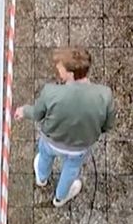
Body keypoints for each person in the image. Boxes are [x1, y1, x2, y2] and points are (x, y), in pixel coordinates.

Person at [15, 48, 115, 207]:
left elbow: (38, 114)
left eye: (60, 68)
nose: (57, 70)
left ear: (71, 74)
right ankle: (60, 197)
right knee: (71, 169)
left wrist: (24, 111)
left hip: (51, 142)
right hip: (79, 148)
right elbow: (108, 125)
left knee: (44, 156)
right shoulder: (105, 95)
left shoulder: (50, 92)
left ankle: (41, 178)